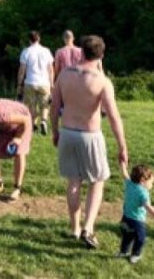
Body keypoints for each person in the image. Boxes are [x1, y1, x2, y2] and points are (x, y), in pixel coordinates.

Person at [51, 35, 128, 249]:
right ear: (101, 55)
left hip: (67, 132)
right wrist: (122, 145)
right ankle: (88, 227)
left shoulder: (65, 74)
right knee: (97, 181)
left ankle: (75, 228)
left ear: (81, 52)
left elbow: (54, 105)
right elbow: (113, 116)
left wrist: (55, 131)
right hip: (90, 135)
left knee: (73, 182)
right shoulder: (102, 81)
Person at [118, 165, 154, 264]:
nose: (152, 184)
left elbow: (124, 173)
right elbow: (149, 208)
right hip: (137, 222)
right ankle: (135, 255)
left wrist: (122, 163)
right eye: (151, 182)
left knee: (127, 237)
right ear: (143, 180)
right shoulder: (143, 193)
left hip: (125, 218)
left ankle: (123, 252)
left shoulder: (130, 184)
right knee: (140, 239)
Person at [18, 31, 55, 135]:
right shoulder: (46, 51)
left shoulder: (26, 51)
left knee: (31, 105)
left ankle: (33, 124)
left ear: (29, 40)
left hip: (30, 82)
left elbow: (22, 70)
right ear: (39, 39)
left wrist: (19, 84)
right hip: (44, 82)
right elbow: (51, 69)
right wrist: (52, 83)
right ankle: (43, 121)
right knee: (45, 105)